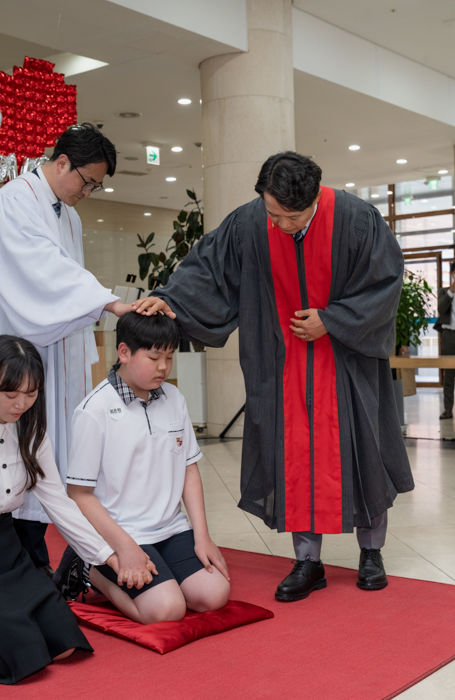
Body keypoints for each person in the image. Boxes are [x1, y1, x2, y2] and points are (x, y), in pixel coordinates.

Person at [134, 152, 415, 601]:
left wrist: (334, 320)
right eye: (273, 213)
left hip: (346, 362)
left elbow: (385, 283)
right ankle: (307, 561)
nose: (281, 225)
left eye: (292, 217)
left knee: (363, 450)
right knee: (294, 458)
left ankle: (371, 553)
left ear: (314, 200)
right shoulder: (250, 223)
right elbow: (208, 267)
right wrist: (170, 300)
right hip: (280, 363)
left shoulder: (357, 219)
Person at [0, 123, 134, 575]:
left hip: (56, 350)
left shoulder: (68, 214)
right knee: (19, 450)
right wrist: (109, 302)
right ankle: (18, 560)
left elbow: (67, 285)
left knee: (49, 458)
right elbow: (44, 274)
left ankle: (47, 558)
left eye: (97, 185)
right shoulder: (13, 202)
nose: (88, 192)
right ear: (61, 161)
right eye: (86, 181)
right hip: (19, 354)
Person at [56, 312, 230, 623]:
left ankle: (158, 569)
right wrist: (123, 549)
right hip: (121, 532)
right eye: (153, 357)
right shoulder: (93, 410)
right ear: (124, 352)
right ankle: (88, 567)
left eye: (169, 356)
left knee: (214, 595)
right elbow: (79, 494)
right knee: (166, 610)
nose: (163, 367)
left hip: (170, 528)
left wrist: (202, 536)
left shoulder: (174, 398)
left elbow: (189, 468)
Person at [0, 335, 123, 685]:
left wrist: (109, 556)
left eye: (31, 394)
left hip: (7, 551)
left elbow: (60, 504)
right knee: (25, 655)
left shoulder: (31, 431)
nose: (21, 403)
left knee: (63, 645)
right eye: (10, 393)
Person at [435, 261, 455, 419]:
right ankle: (448, 409)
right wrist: (451, 292)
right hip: (449, 336)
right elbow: (441, 309)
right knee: (449, 373)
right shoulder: (444, 292)